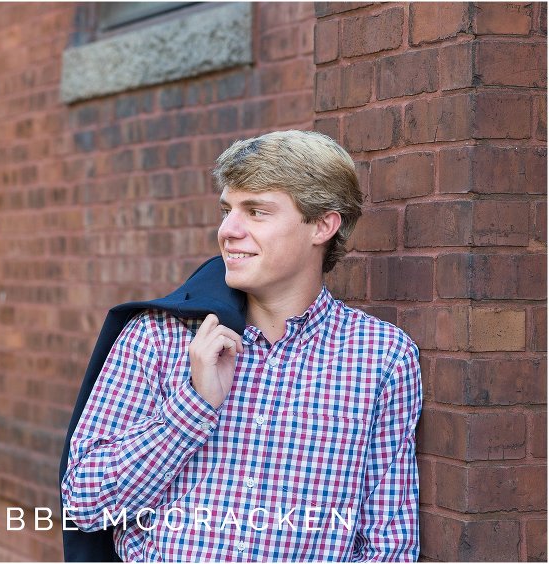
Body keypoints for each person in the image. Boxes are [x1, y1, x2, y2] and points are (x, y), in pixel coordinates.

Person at [61, 130, 422, 561]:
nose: (228, 230)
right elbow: (83, 503)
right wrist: (191, 409)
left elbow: (388, 544)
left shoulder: (382, 358)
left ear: (323, 225)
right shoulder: (157, 336)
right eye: (227, 210)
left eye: (256, 211)